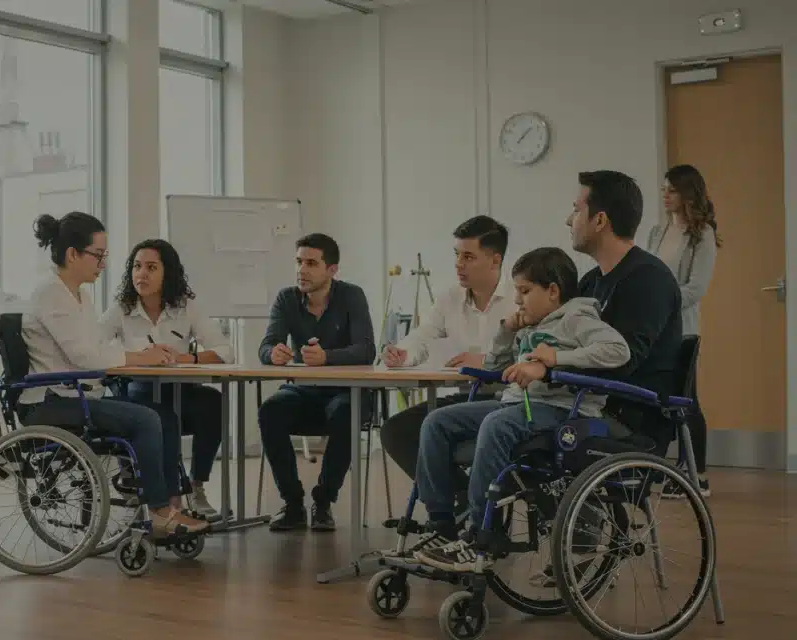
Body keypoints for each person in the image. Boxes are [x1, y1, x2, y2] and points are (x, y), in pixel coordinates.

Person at [412, 247, 630, 572]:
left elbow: (618, 350)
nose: (517, 299)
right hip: (518, 403)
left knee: (496, 425)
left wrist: (555, 360)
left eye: (524, 291)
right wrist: (507, 331)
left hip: (562, 409)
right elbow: (495, 366)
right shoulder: (531, 325)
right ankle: (441, 524)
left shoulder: (577, 317)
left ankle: (483, 534)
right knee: (436, 422)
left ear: (552, 290)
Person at [20, 212, 210, 537]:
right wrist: (142, 357)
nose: (104, 263)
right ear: (72, 254)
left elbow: (96, 347)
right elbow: (85, 356)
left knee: (164, 417)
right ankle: (159, 512)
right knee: (146, 420)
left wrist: (141, 355)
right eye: (98, 255)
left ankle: (170, 505)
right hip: (50, 401)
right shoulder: (51, 294)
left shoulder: (79, 295)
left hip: (76, 395)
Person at [98, 239, 234, 521]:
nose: (141, 274)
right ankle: (169, 498)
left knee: (214, 402)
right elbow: (92, 347)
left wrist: (185, 358)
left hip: (178, 389)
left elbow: (226, 351)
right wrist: (136, 357)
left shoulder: (186, 307)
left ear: (167, 273)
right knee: (164, 418)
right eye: (137, 267)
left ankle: (196, 486)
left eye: (151, 268)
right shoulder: (121, 309)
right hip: (137, 391)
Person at [377, 215, 516, 483]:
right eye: (457, 255)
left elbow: (532, 354)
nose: (458, 264)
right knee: (395, 431)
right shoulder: (449, 298)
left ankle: (463, 498)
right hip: (466, 399)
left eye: (468, 257)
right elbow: (423, 336)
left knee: (437, 426)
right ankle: (459, 497)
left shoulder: (520, 297)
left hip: (507, 400)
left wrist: (488, 362)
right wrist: (403, 354)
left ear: (495, 260)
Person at [257, 233, 376, 532]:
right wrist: (274, 353)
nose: (302, 270)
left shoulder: (352, 296)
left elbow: (366, 349)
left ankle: (323, 501)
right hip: (303, 391)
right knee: (270, 410)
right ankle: (293, 502)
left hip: (346, 393)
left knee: (346, 412)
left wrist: (327, 357)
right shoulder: (286, 298)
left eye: (311, 263)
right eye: (299, 261)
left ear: (332, 270)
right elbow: (266, 346)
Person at [568, 170, 683, 452]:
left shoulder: (649, 279)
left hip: (629, 416)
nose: (569, 220)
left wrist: (554, 366)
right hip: (589, 403)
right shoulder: (590, 282)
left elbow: (621, 361)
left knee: (504, 426)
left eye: (576, 210)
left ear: (600, 220)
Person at [648, 164, 719, 498]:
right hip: (655, 327)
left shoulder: (702, 235)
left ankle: (697, 475)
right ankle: (663, 469)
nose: (666, 195)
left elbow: (696, 288)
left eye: (672, 190)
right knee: (658, 398)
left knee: (686, 399)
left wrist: (662, 302)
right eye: (664, 189)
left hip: (682, 329)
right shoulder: (657, 231)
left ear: (688, 193)